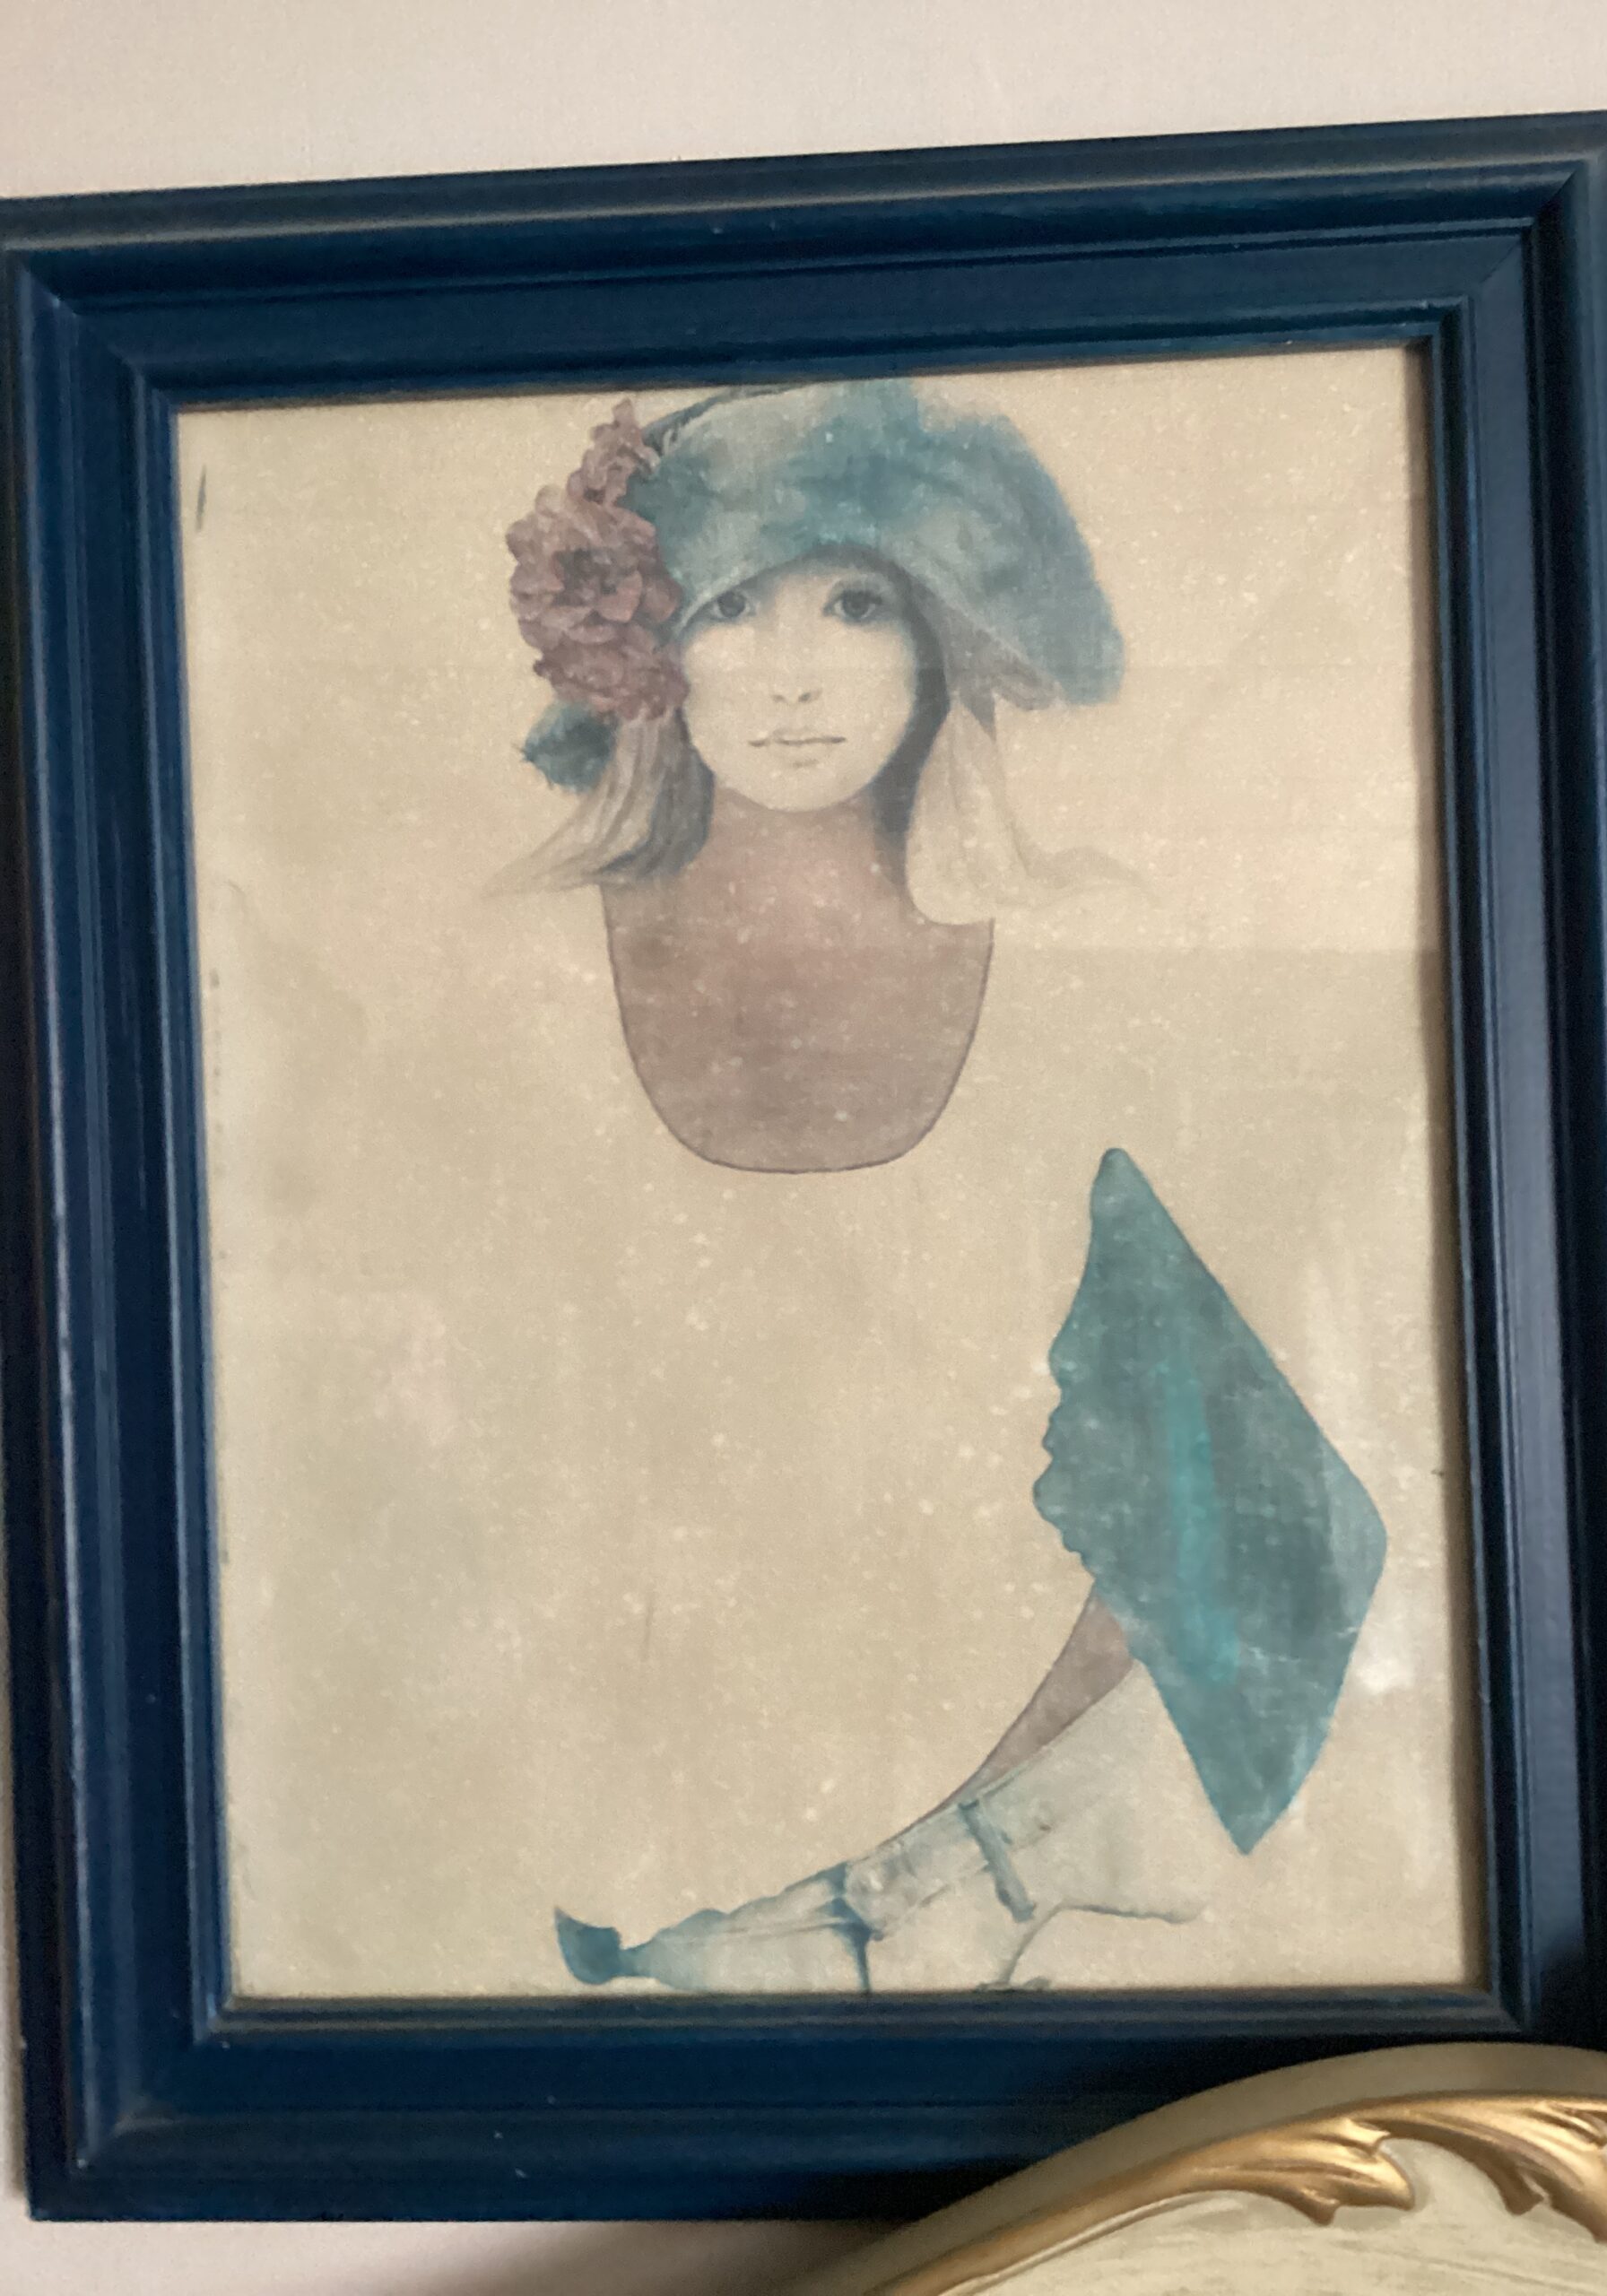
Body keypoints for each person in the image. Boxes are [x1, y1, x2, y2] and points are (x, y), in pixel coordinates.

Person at [500, 380, 1386, 1992]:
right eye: (732, 605)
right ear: (646, 646)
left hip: (991, 1829)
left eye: (857, 603)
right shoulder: (512, 977)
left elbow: (1256, 1460)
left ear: (943, 641)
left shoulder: (1094, 962)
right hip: (623, 1829)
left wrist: (1008, 1803)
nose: (793, 675)